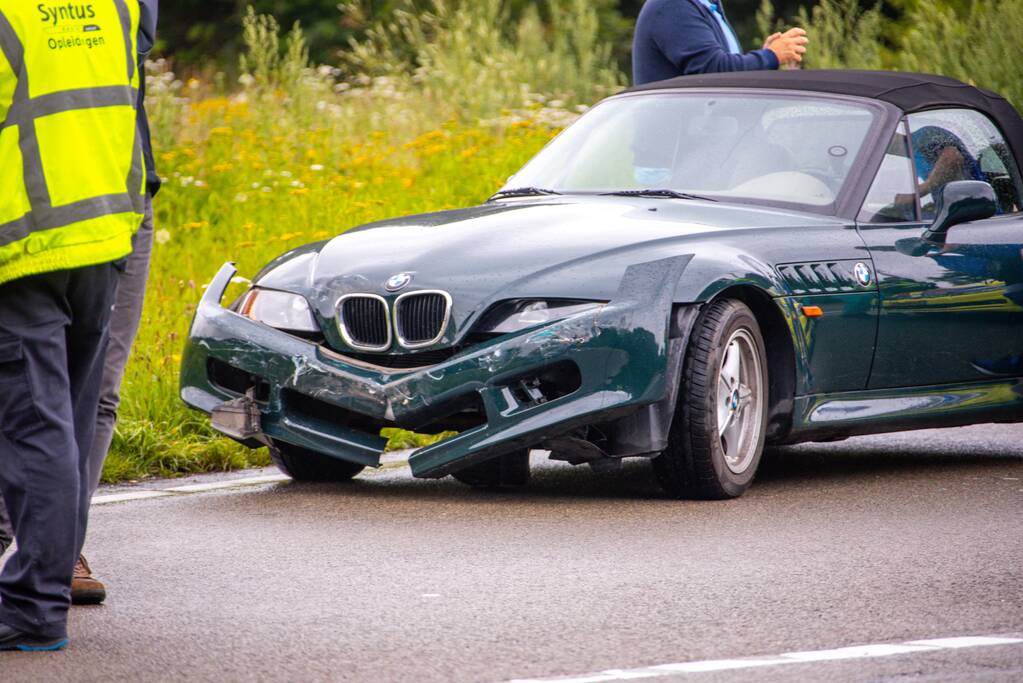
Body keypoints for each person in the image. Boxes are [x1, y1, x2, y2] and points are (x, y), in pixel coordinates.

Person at [0, 0, 159, 607]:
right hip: (75, 212)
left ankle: (48, 567)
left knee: (75, 401)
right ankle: (39, 564)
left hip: (104, 204)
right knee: (49, 405)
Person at [633, 0, 808, 85]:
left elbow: (724, 70)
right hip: (678, 151)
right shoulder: (673, 5)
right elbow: (715, 70)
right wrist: (770, 56)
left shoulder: (705, 6)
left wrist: (765, 57)